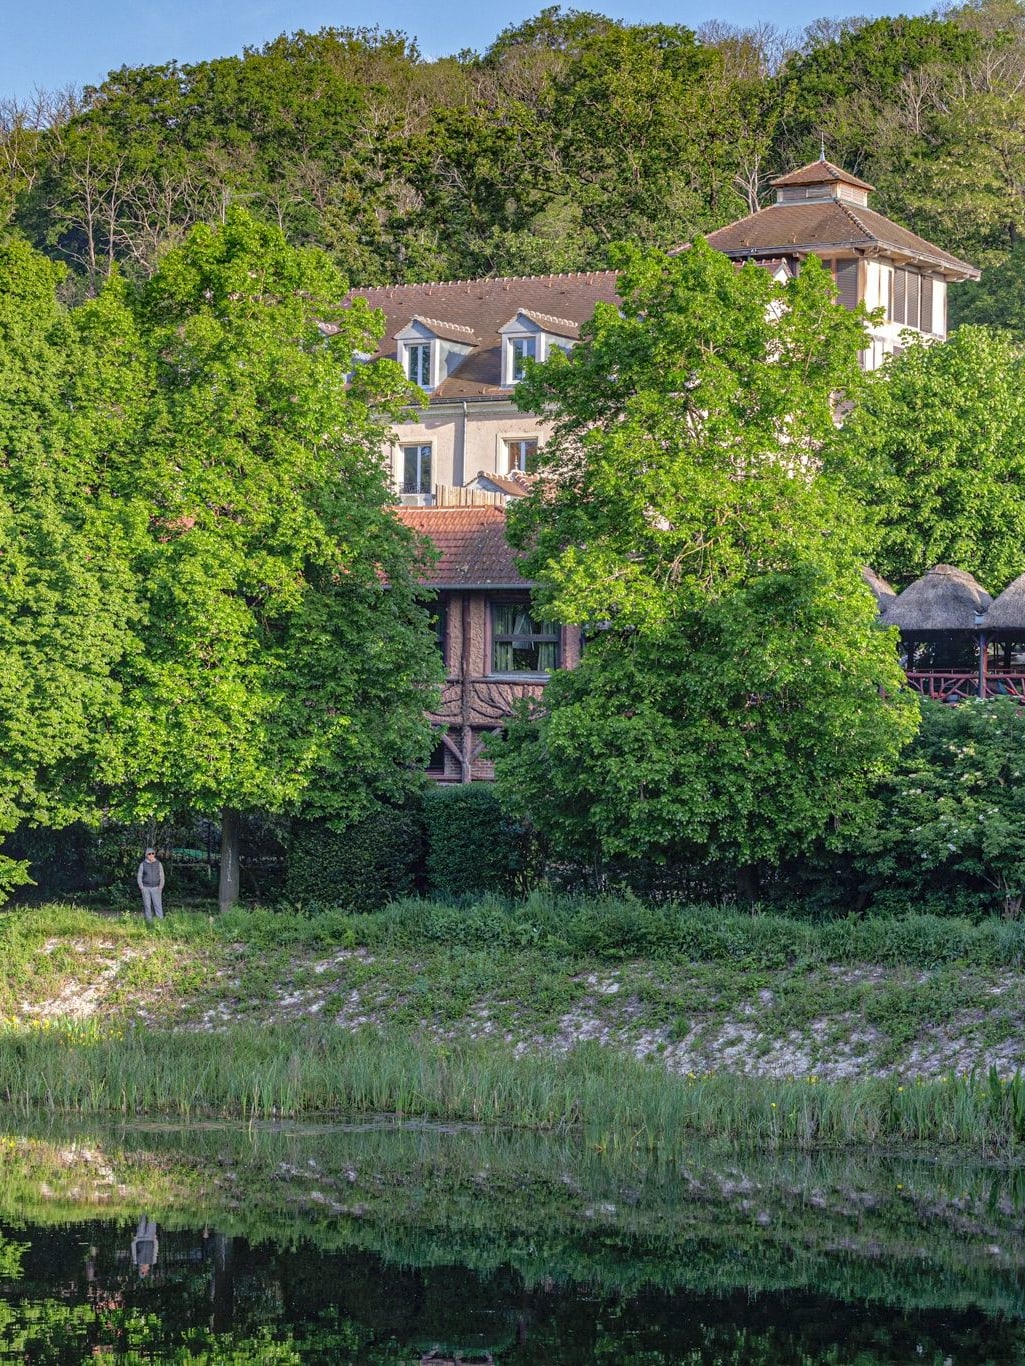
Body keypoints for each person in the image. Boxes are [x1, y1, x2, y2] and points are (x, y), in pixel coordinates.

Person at [136, 847, 165, 922]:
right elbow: (139, 876)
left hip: (156, 888)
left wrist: (160, 887)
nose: (151, 855)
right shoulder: (143, 864)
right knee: (147, 906)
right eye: (149, 854)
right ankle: (149, 922)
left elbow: (162, 876)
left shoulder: (158, 863)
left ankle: (160, 922)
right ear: (146, 855)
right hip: (145, 888)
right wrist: (141, 887)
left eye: (152, 853)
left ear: (154, 854)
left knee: (158, 905)